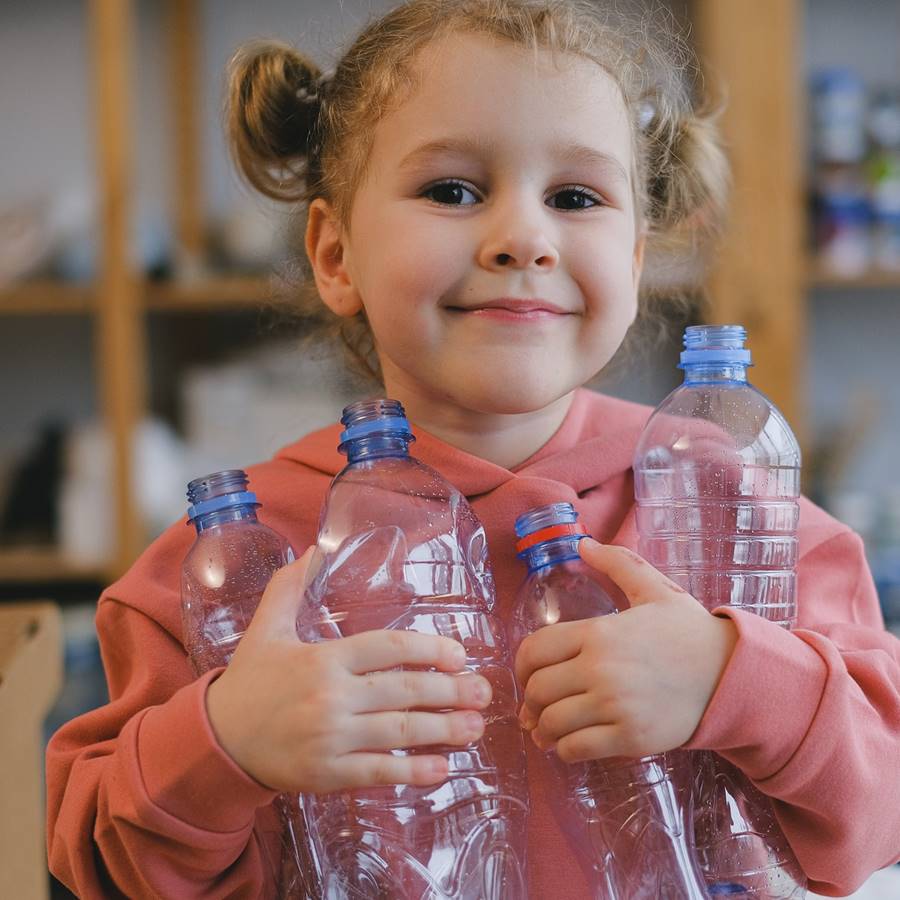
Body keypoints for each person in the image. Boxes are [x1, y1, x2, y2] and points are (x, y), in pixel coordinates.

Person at [46, 1, 900, 897]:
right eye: (453, 190)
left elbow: (881, 813)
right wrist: (226, 743)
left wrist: (739, 678)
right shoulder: (230, 559)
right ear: (335, 253)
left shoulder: (728, 498)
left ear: (637, 257)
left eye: (576, 197)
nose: (523, 239)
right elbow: (99, 862)